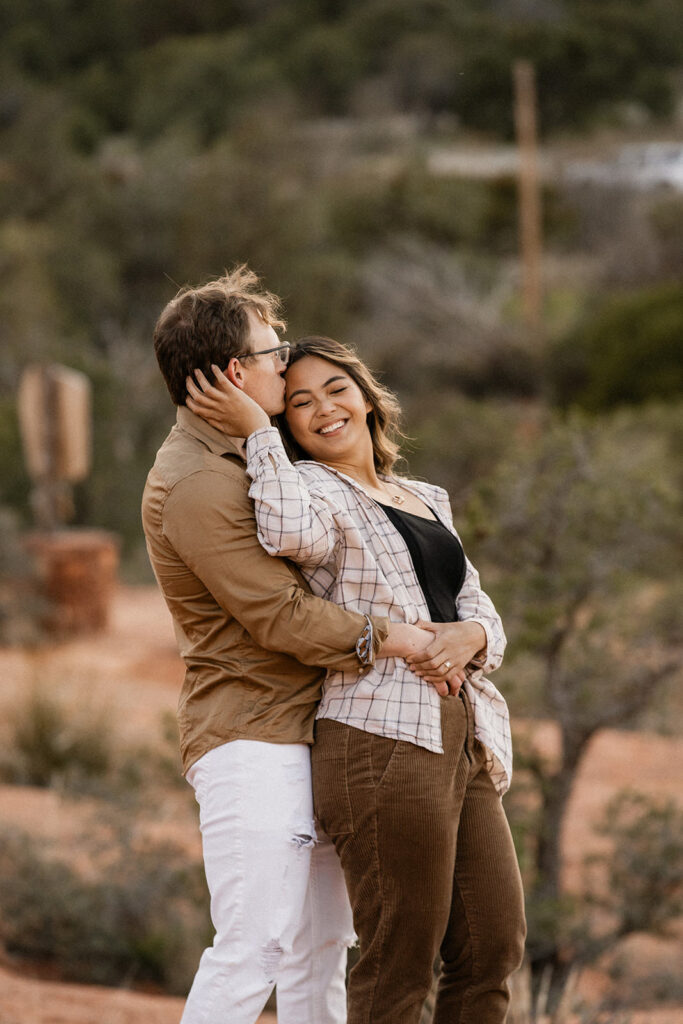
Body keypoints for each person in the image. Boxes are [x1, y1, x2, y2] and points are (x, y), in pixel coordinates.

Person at [186, 334, 526, 1024]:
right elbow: (284, 536)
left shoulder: (425, 495)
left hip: (464, 732)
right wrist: (259, 435)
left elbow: (474, 602)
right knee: (400, 957)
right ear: (288, 423)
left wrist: (475, 636)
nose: (322, 409)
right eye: (300, 402)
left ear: (368, 397)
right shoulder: (306, 488)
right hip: (378, 733)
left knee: (490, 947)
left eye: (336, 389)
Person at [142, 271, 439, 1024]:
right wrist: (396, 638)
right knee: (254, 949)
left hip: (317, 727)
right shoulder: (196, 483)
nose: (290, 363)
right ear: (237, 372)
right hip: (250, 735)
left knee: (320, 950)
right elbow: (279, 616)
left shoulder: (258, 451)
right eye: (275, 352)